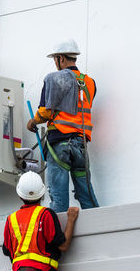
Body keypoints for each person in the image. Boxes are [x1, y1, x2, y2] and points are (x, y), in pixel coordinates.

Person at [27, 38, 99, 212]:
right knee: (86, 194)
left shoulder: (53, 78)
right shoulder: (89, 83)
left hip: (59, 144)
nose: (55, 63)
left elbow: (45, 112)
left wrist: (33, 121)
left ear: (60, 58)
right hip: (81, 146)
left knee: (58, 198)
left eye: (55, 59)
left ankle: (57, 237)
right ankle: (101, 225)